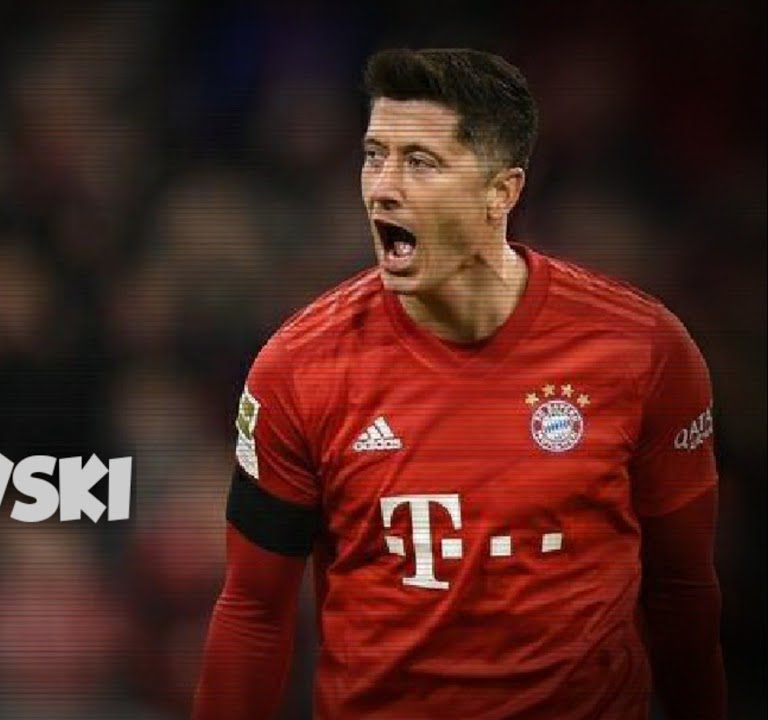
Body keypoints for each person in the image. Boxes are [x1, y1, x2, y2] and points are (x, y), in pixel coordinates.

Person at [192, 48, 725, 720]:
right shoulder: (299, 368)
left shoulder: (642, 350)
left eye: (420, 162)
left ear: (502, 192)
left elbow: (681, 589)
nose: (383, 188)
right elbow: (253, 610)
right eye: (374, 156)